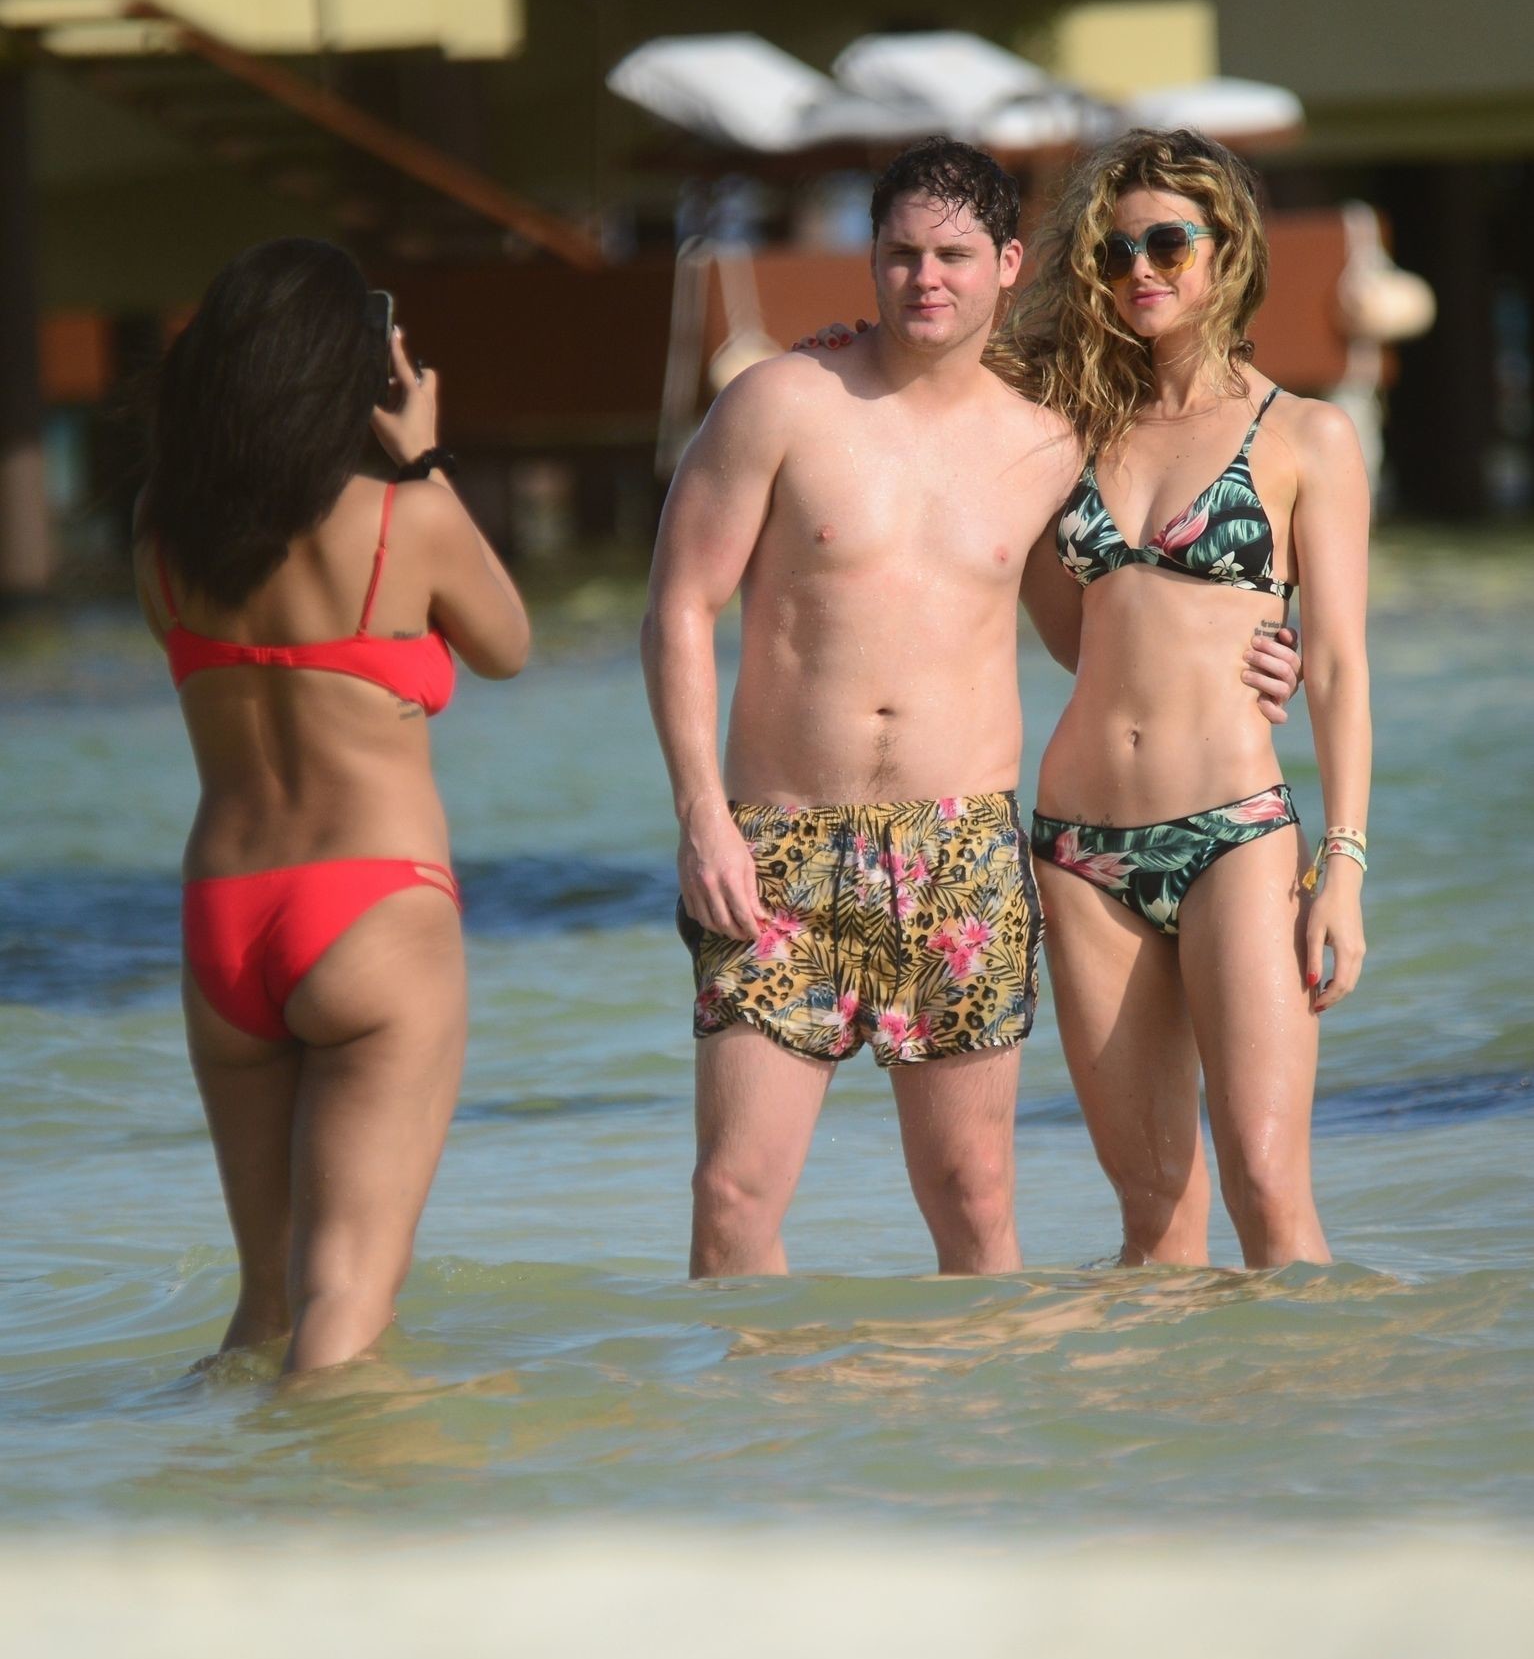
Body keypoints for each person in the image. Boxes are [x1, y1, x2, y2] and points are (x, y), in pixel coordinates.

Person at [641, 138, 1298, 1279]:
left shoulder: (1048, 438)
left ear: (1005, 265)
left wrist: (1261, 650)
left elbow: (1103, 627)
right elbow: (677, 608)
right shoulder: (781, 402)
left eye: (952, 256)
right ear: (871, 259)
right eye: (900, 254)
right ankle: (754, 1403)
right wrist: (700, 812)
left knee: (975, 1196)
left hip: (961, 849)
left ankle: (976, 1406)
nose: (924, 279)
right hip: (780, 841)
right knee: (732, 1191)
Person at [133, 239, 530, 1373]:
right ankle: (335, 1485)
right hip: (370, 908)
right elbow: (506, 644)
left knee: (265, 1304)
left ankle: (208, 1470)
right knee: (347, 1296)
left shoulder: (161, 534)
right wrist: (425, 460)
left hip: (224, 920)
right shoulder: (406, 518)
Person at [1012, 128, 1370, 1268]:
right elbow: (1079, 640)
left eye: (1168, 243)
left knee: (1267, 1189)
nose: (1141, 271)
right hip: (1078, 848)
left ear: (1228, 249)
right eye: (1115, 252)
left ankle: (1326, 1390)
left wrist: (1345, 866)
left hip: (1234, 835)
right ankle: (1170, 1399)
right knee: (1154, 1211)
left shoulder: (1305, 434)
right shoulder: (1067, 427)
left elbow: (1340, 666)